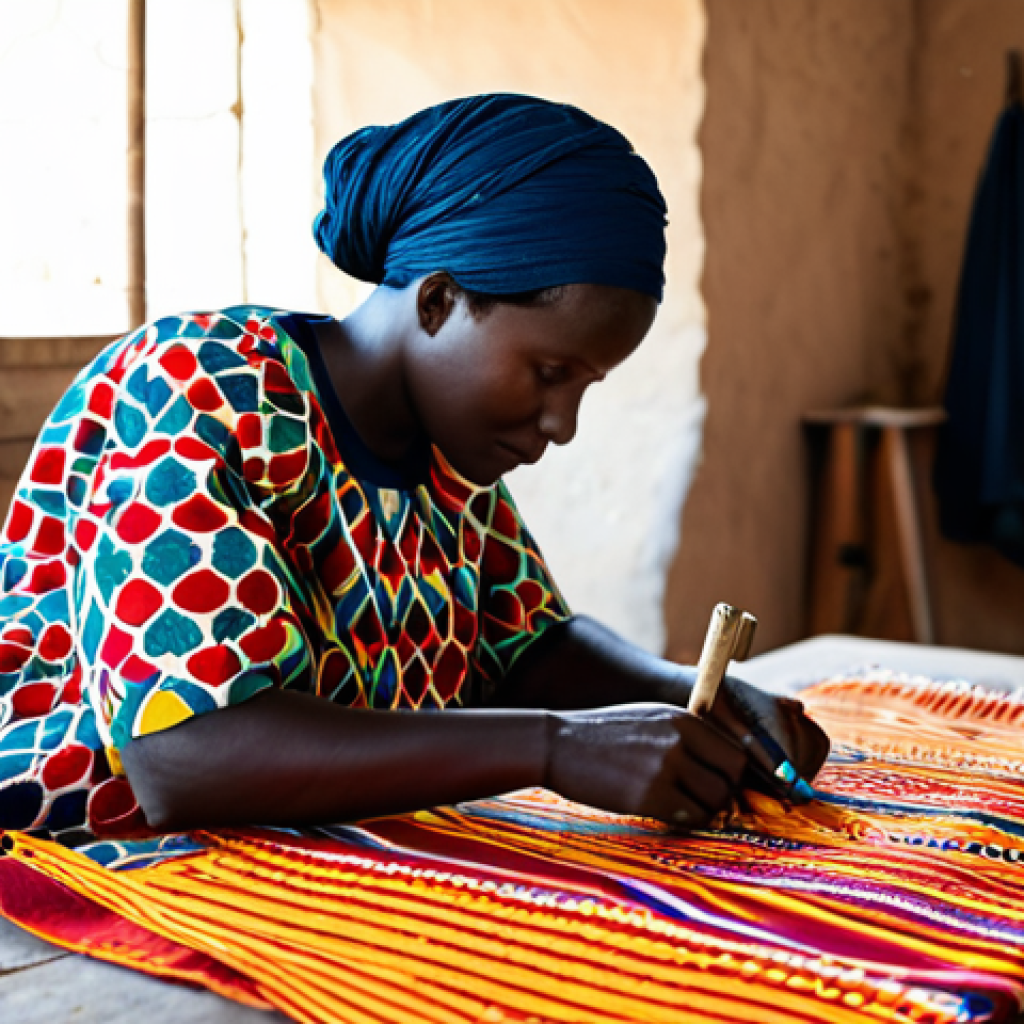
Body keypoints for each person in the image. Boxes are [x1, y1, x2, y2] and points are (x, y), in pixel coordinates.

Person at [0, 94, 828, 849]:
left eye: (586, 387)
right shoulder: (198, 390)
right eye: (548, 373)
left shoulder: (444, 454)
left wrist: (693, 695)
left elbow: (526, 645)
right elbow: (189, 756)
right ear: (437, 303)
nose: (562, 425)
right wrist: (554, 747)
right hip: (86, 861)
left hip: (304, 861)